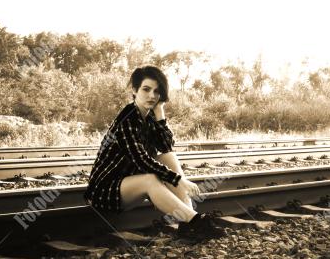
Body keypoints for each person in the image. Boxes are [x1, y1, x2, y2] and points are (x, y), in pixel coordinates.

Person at [84, 65, 225, 242]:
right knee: (150, 179)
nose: (152, 95)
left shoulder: (149, 116)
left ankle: (189, 224)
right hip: (104, 191)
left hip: (128, 182)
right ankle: (194, 221)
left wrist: (160, 113)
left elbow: (166, 147)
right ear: (134, 90)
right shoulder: (127, 119)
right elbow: (141, 160)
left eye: (157, 91)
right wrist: (178, 180)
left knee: (169, 158)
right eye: (146, 89)